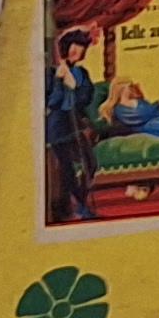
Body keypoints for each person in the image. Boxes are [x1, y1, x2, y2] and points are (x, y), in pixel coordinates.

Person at [44, 27, 105, 222]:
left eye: (81, 49)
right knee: (68, 169)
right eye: (74, 47)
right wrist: (59, 81)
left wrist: (74, 86)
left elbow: (85, 98)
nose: (77, 52)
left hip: (76, 124)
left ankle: (82, 201)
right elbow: (51, 102)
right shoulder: (50, 72)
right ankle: (81, 206)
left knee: (90, 164)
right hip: (58, 127)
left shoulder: (82, 73)